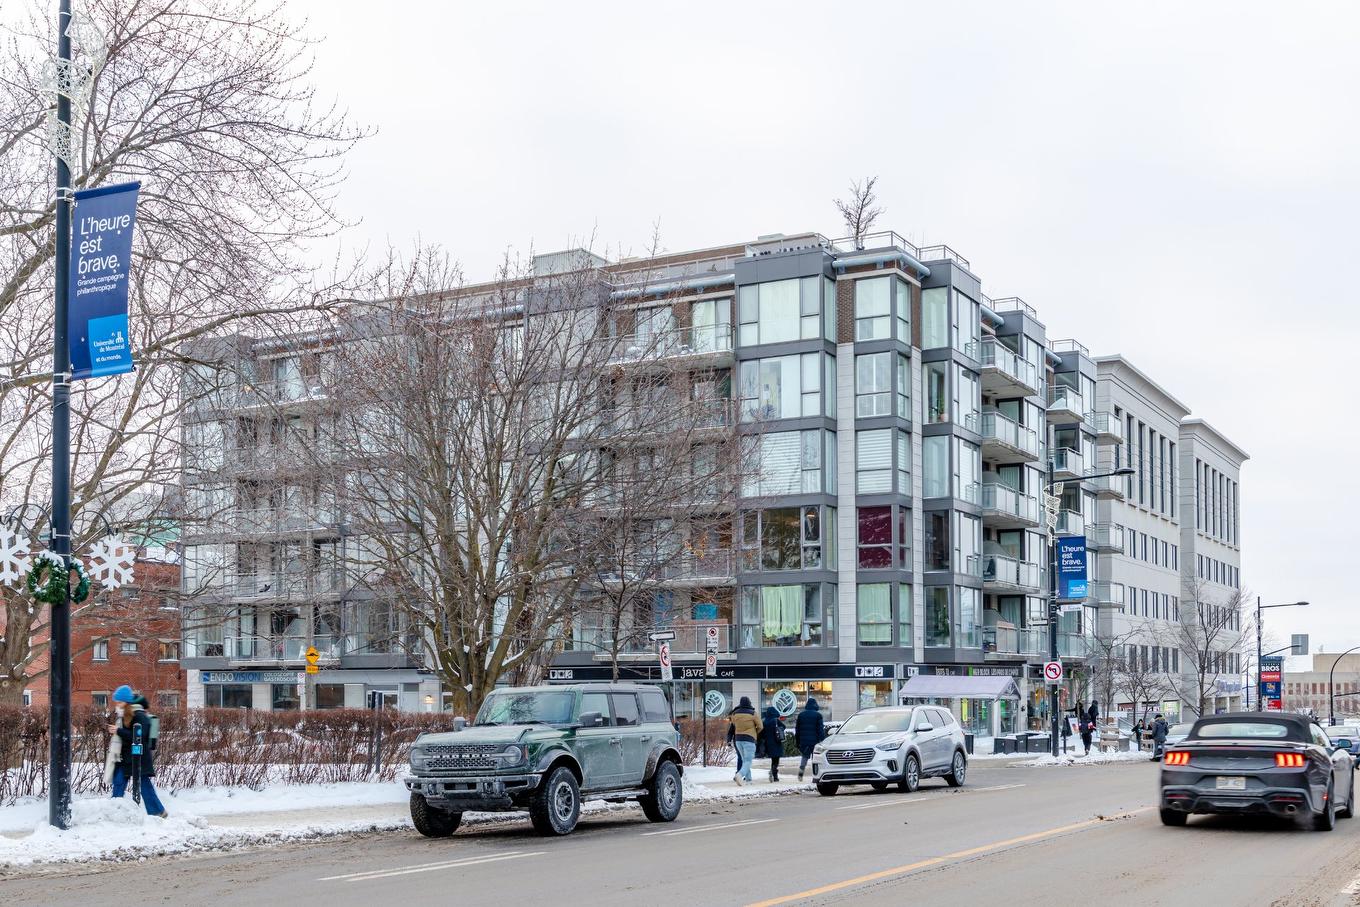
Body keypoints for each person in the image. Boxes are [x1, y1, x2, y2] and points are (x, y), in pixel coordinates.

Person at [109, 685, 167, 817]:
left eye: (119, 702)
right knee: (118, 784)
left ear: (127, 702)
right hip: (125, 758)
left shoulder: (140, 716)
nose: (117, 705)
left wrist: (118, 731)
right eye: (116, 702)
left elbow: (138, 736)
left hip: (138, 758)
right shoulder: (123, 716)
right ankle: (113, 812)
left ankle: (158, 812)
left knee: (145, 787)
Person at [725, 697, 762, 786]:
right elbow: (760, 726)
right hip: (749, 739)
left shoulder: (734, 714)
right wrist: (755, 733)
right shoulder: (753, 713)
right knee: (748, 761)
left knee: (744, 760)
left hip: (738, 740)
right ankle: (740, 775)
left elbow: (732, 726)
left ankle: (749, 780)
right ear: (749, 703)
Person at [794, 698, 826, 781]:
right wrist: (822, 741)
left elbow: (797, 730)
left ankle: (800, 774)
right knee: (815, 759)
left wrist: (797, 742)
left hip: (804, 741)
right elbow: (820, 730)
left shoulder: (801, 715)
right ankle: (815, 776)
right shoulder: (818, 715)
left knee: (804, 758)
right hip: (815, 742)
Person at [759, 706, 786, 782]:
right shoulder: (776, 720)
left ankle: (773, 773)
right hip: (777, 742)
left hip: (768, 743)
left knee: (773, 759)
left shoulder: (764, 721)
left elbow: (761, 733)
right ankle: (774, 775)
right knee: (776, 760)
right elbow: (784, 726)